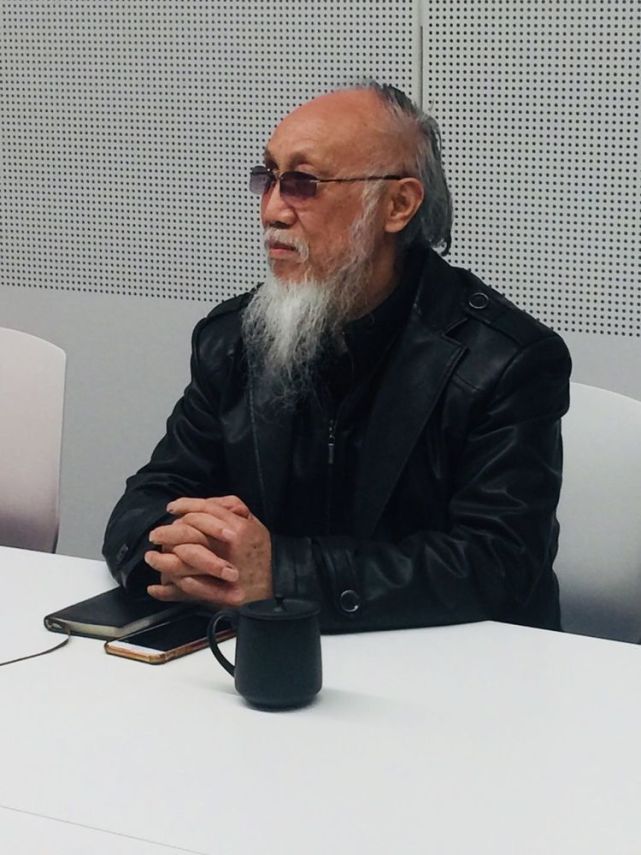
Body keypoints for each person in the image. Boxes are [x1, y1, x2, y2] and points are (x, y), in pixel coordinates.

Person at [103, 82, 571, 632]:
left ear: (397, 205)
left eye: (303, 183)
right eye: (268, 178)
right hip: (270, 648)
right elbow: (150, 499)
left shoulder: (507, 360)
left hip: (453, 662)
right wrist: (177, 547)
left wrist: (282, 576)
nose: (271, 211)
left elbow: (497, 563)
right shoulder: (233, 339)